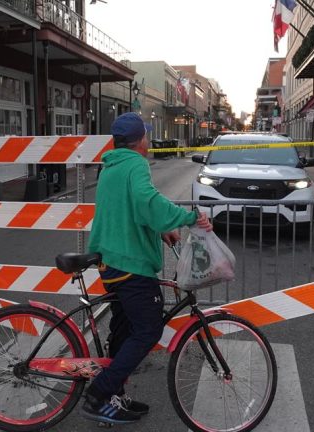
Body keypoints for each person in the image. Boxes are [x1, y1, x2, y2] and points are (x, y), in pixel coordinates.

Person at [82, 112, 212, 424]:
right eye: (146, 136)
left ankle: (113, 395)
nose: (148, 141)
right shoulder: (136, 164)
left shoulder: (111, 166)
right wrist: (189, 217)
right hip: (130, 265)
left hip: (110, 261)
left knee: (124, 330)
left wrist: (158, 229)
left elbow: (128, 210)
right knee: (149, 329)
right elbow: (147, 202)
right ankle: (100, 393)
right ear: (141, 140)